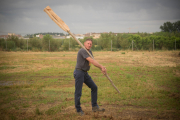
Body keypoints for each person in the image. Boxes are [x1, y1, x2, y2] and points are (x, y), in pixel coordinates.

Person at [73, 38, 107, 116]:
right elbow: (91, 61)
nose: (89, 45)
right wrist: (101, 66)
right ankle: (78, 110)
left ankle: (94, 107)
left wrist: (102, 68)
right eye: (88, 43)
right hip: (79, 73)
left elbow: (94, 62)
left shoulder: (89, 52)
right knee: (78, 92)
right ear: (84, 44)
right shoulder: (82, 51)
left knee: (94, 87)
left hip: (85, 73)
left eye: (90, 44)